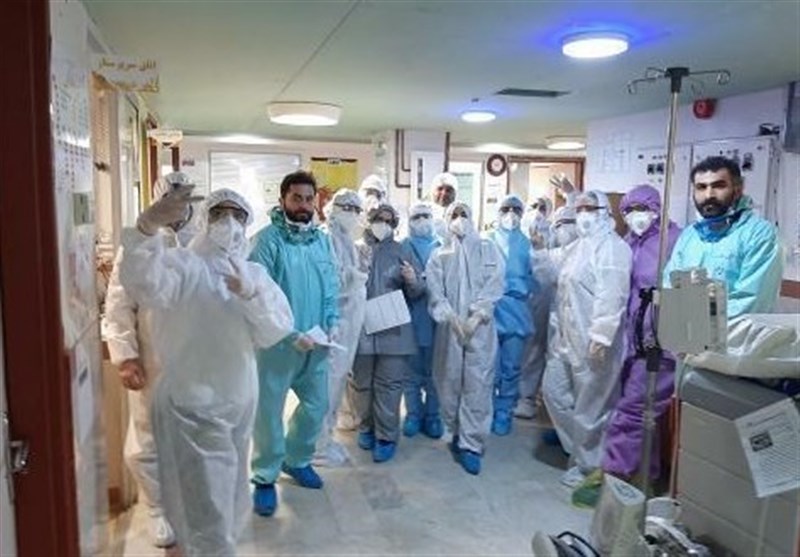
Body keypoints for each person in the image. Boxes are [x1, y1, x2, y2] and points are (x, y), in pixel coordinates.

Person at [119, 187, 294, 556]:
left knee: (227, 496)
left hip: (238, 399)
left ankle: (195, 546)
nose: (229, 222)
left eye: (238, 215)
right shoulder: (183, 265)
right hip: (194, 403)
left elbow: (276, 329)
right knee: (209, 506)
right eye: (219, 213)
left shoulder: (254, 273)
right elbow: (144, 285)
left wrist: (251, 295)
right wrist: (145, 230)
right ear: (204, 219)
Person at [102, 172, 195, 549]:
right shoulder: (141, 241)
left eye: (184, 198)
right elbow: (118, 303)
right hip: (153, 356)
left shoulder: (201, 240)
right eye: (170, 198)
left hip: (197, 360)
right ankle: (157, 508)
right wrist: (125, 357)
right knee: (148, 437)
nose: (178, 206)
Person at [573, 185, 682, 507]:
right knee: (645, 417)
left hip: (661, 345)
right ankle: (646, 477)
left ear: (657, 209)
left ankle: (613, 478)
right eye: (630, 210)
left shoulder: (675, 241)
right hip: (633, 345)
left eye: (642, 208)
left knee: (631, 413)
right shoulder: (629, 243)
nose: (637, 216)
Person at [249, 170, 339, 517]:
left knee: (317, 406)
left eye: (308, 199)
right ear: (283, 200)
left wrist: (331, 322)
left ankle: (297, 458)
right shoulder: (267, 241)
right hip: (277, 345)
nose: (303, 205)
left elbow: (330, 285)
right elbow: (258, 297)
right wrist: (288, 334)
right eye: (296, 198)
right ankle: (265, 475)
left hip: (315, 343)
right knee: (268, 412)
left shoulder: (321, 241)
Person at [542, 190, 632, 489]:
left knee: (592, 409)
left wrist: (601, 336)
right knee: (554, 391)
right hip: (567, 340)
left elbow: (612, 295)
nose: (582, 214)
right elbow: (556, 276)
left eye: (589, 208)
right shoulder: (579, 247)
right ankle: (578, 449)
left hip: (595, 343)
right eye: (578, 209)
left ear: (605, 212)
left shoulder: (613, 248)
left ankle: (590, 469)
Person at [427, 202, 505, 475]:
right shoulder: (439, 254)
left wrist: (477, 316)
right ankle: (456, 429)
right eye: (454, 215)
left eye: (464, 214)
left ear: (473, 218)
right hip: (450, 330)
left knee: (477, 384)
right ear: (446, 220)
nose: (459, 219)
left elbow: (495, 283)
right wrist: (449, 316)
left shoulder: (487, 248)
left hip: (480, 330)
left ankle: (471, 444)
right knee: (447, 381)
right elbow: (435, 291)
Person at [663, 156, 782, 318]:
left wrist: (701, 323)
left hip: (733, 333)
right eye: (701, 187)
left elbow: (750, 303)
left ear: (738, 189)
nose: (709, 195)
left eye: (719, 186)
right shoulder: (689, 235)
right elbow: (670, 286)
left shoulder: (759, 234)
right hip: (686, 330)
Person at [349, 203, 423, 462]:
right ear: (369, 220)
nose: (383, 223)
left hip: (393, 327)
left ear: (395, 225)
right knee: (362, 384)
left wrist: (412, 279)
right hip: (361, 326)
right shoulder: (356, 249)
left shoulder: (403, 250)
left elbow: (418, 291)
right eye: (378, 218)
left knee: (390, 385)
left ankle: (386, 436)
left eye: (389, 220)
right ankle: (366, 428)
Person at [313, 189, 368, 467]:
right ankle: (315, 445)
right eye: (347, 208)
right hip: (333, 324)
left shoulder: (346, 240)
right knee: (326, 384)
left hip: (347, 325)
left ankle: (326, 438)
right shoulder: (325, 237)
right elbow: (328, 280)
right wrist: (353, 278)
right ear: (332, 209)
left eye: (357, 209)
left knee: (336, 384)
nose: (353, 214)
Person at [516, 204, 574, 420]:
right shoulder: (547, 252)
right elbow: (545, 275)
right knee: (532, 352)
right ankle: (526, 397)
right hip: (539, 306)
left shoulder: (581, 252)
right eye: (559, 224)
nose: (538, 211)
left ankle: (565, 418)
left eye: (568, 222)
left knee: (564, 366)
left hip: (568, 316)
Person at [486, 194, 536, 436]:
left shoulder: (529, 243)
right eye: (506, 209)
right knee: (489, 367)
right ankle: (487, 409)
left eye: (516, 209)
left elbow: (538, 277)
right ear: (497, 211)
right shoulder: (486, 241)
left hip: (517, 310)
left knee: (511, 366)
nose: (511, 214)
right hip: (491, 309)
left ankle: (504, 411)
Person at [400, 202, 443, 439]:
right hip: (411, 318)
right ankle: (413, 414)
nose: (422, 220)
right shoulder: (403, 247)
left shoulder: (442, 246)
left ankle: (433, 415)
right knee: (411, 372)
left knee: (435, 372)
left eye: (426, 215)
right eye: (416, 216)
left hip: (438, 320)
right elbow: (399, 283)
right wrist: (414, 283)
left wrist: (423, 281)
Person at [429, 171, 459, 238]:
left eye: (448, 190)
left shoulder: (460, 213)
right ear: (433, 191)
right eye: (440, 189)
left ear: (455, 193)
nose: (444, 193)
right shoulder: (425, 213)